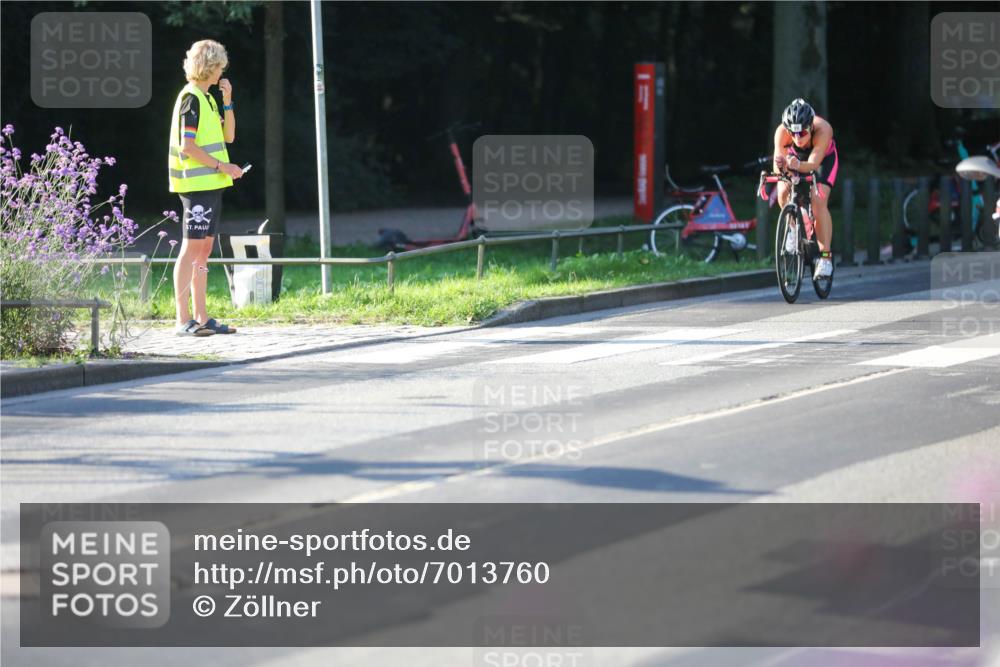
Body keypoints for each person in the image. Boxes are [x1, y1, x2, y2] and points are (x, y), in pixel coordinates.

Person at [168, 39, 243, 336]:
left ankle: (202, 316)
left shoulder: (208, 98)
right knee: (191, 249)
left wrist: (227, 101)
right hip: (196, 186)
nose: (221, 72)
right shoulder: (190, 99)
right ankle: (182, 318)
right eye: (219, 67)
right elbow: (187, 147)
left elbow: (230, 136)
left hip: (211, 186)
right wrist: (222, 166)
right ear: (209, 66)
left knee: (204, 250)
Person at [772, 98, 839, 279]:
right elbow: (778, 166)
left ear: (810, 127)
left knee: (818, 201)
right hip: (796, 160)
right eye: (793, 134)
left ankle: (825, 258)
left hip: (822, 160)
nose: (797, 138)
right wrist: (782, 168)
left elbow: (812, 164)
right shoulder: (781, 133)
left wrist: (795, 165)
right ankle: (792, 228)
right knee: (783, 190)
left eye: (802, 132)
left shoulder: (823, 129)